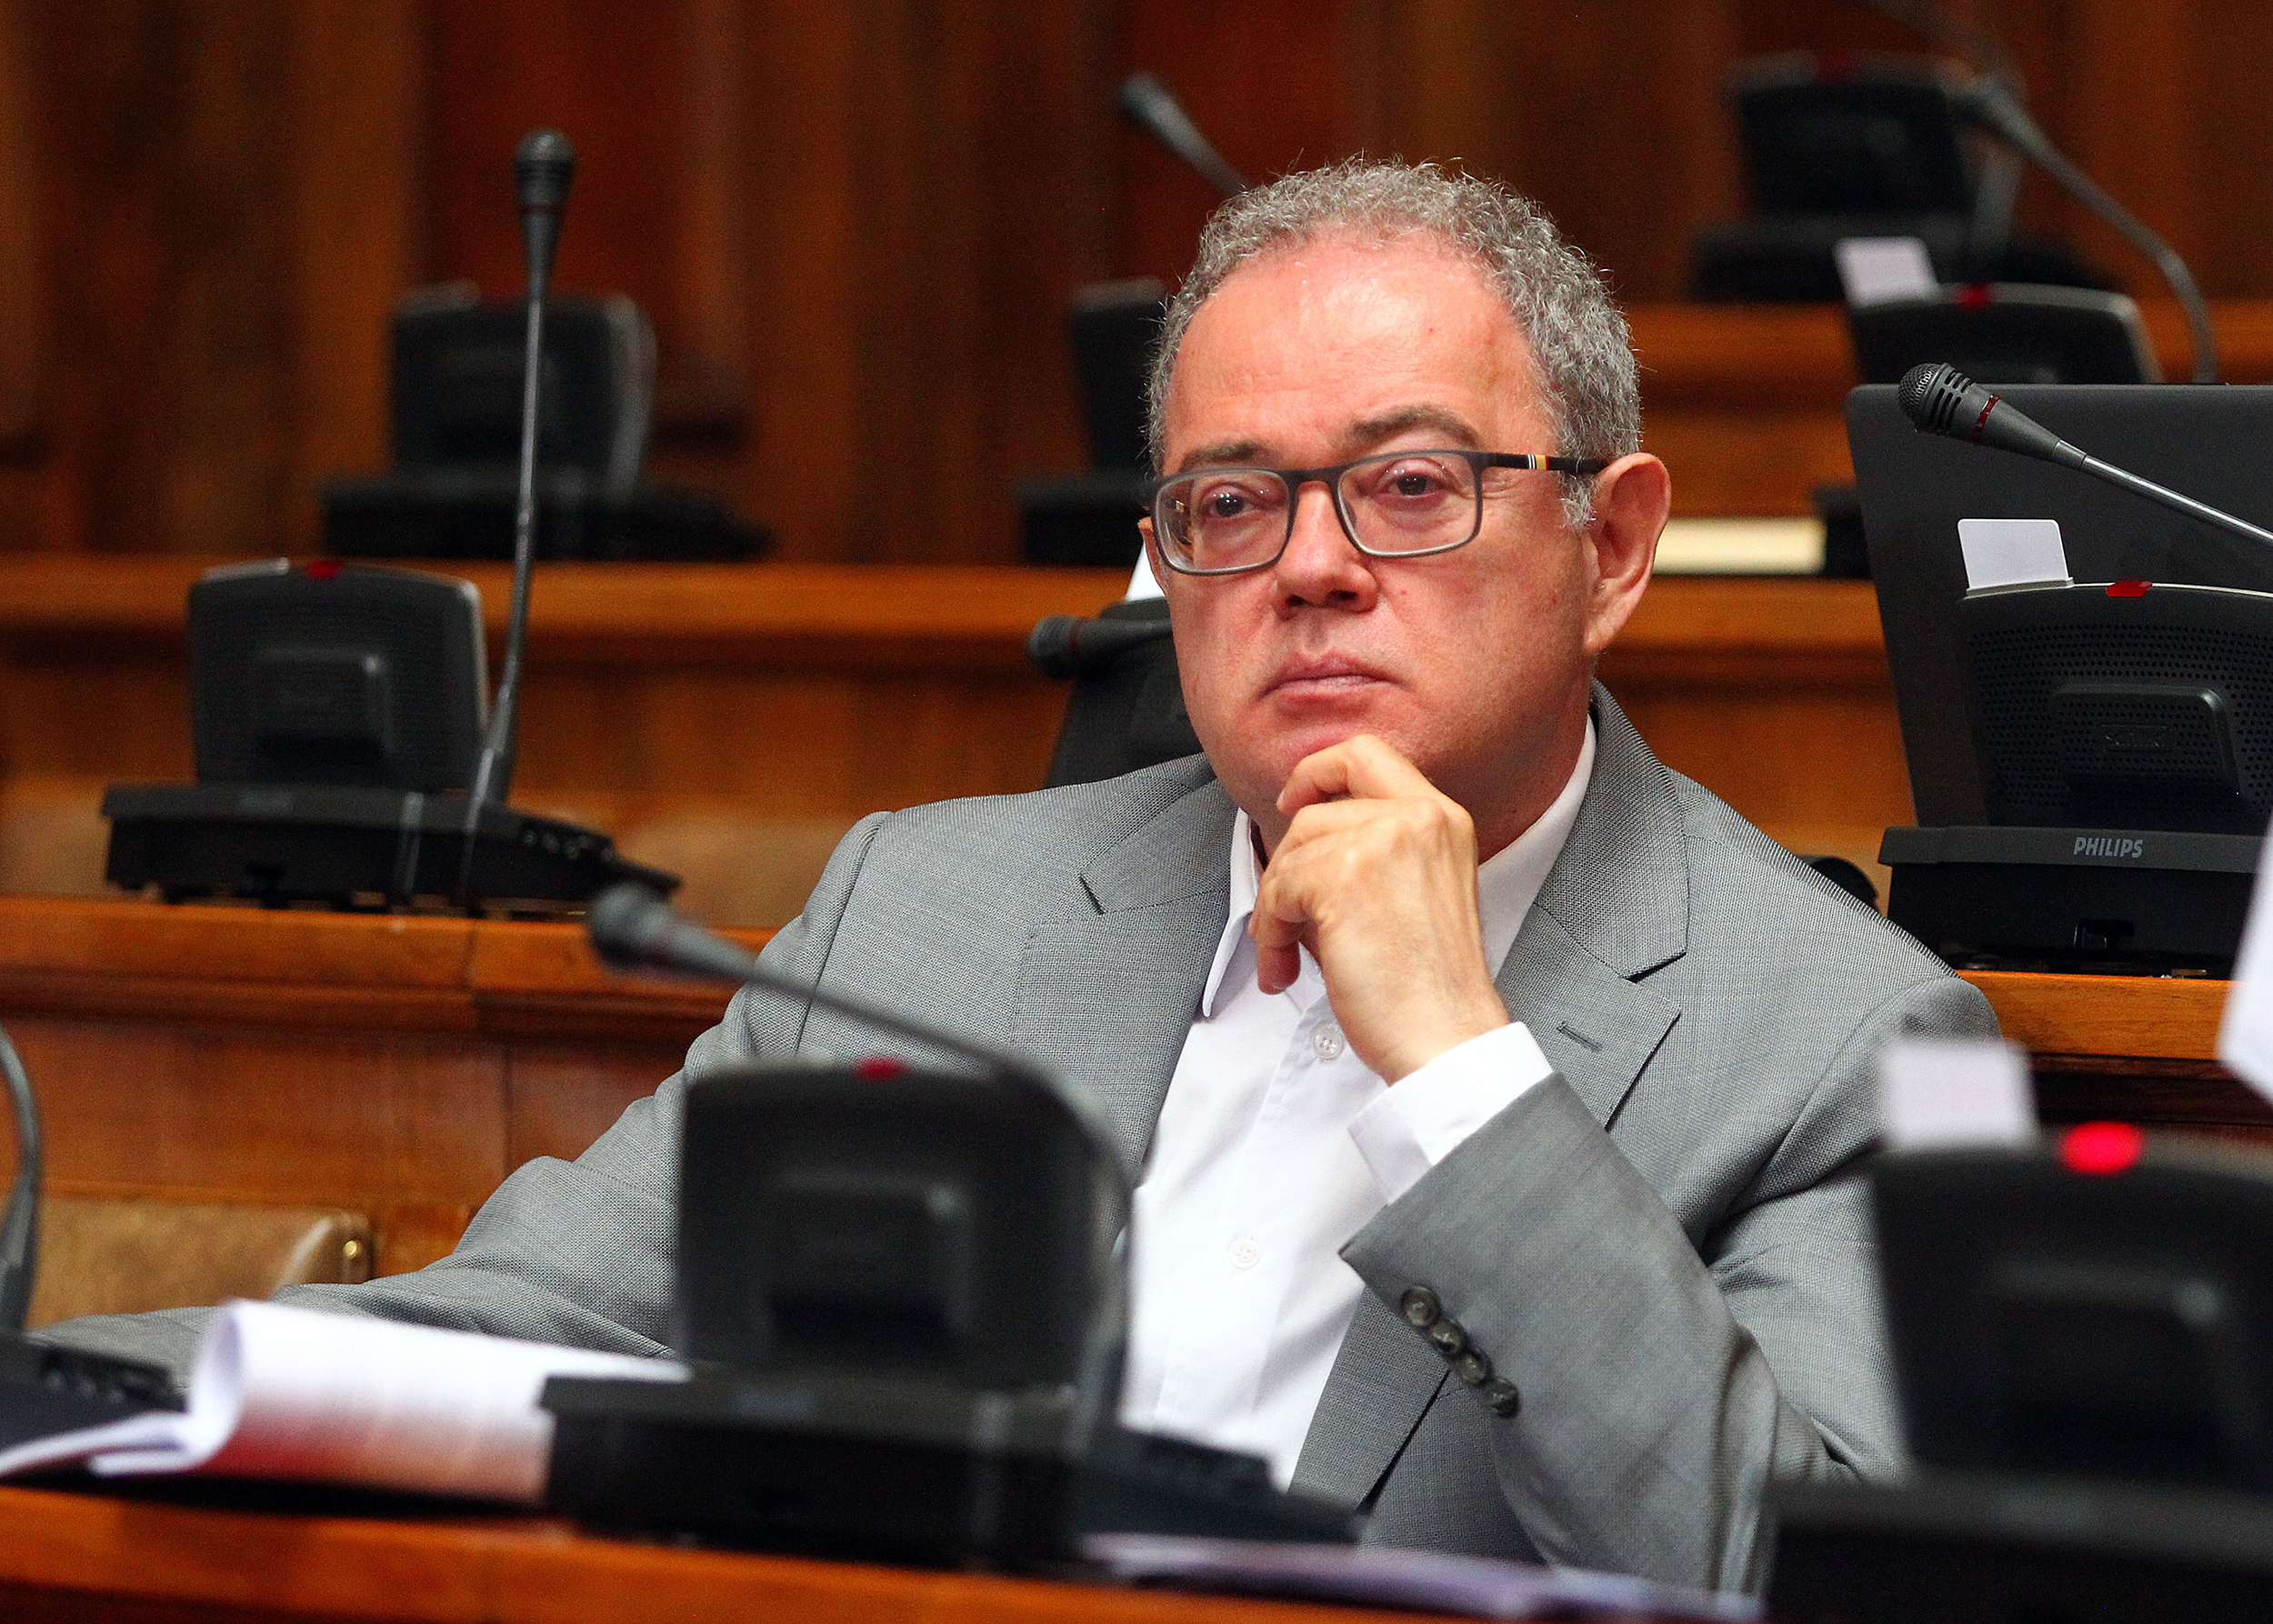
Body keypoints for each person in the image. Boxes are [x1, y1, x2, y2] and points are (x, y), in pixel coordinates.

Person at [51, 161, 1995, 1590]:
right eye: (1228, 502)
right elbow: (524, 1323)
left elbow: (1784, 1564)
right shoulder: (929, 909)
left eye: (1409, 486)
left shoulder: (1836, 1032)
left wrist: (1461, 1067)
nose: (1307, 564)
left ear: (1614, 538)